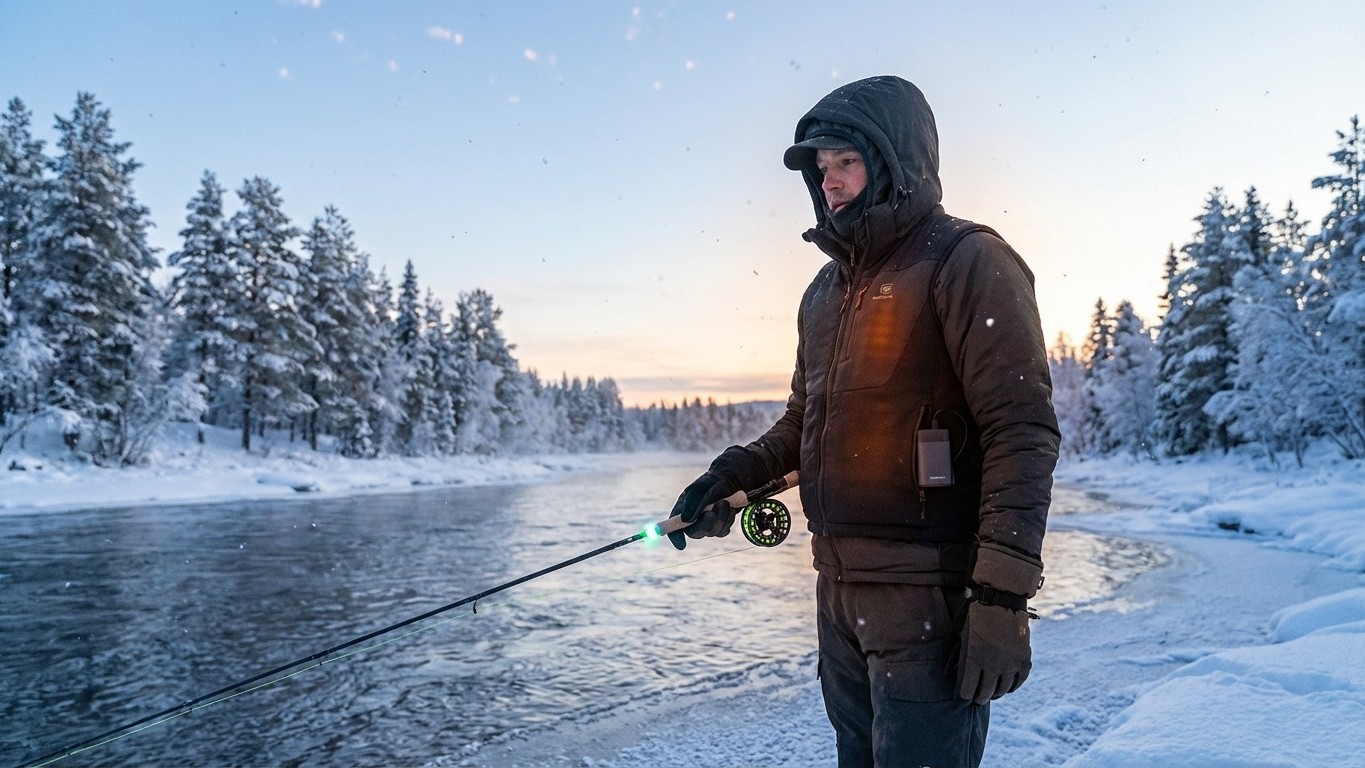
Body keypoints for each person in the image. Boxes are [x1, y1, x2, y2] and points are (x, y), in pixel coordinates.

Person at [668, 75, 1060, 768]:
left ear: (895, 160)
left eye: (846, 161)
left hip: (930, 597)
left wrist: (1002, 596)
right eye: (821, 169)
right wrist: (728, 479)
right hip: (837, 592)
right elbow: (805, 427)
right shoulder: (824, 292)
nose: (831, 183)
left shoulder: (967, 260)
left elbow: (1020, 431)